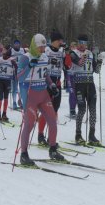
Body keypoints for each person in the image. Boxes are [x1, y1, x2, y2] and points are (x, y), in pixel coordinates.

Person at [16, 34, 63, 165]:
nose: (42, 50)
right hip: (29, 94)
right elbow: (18, 77)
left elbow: (45, 73)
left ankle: (53, 149)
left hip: (43, 93)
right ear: (34, 46)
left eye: (43, 47)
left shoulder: (44, 56)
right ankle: (23, 154)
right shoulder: (25, 58)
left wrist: (52, 85)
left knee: (53, 121)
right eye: (40, 47)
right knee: (30, 123)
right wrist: (29, 66)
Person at [68, 34, 102, 145]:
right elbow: (79, 63)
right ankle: (78, 134)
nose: (82, 45)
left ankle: (92, 135)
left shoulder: (91, 53)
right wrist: (83, 56)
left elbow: (96, 70)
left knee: (93, 109)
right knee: (82, 109)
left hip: (90, 83)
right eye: (80, 43)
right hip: (79, 83)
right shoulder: (73, 53)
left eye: (85, 43)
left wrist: (99, 63)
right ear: (77, 43)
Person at [37, 31, 66, 145]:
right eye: (60, 41)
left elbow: (67, 66)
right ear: (54, 41)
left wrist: (67, 54)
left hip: (57, 83)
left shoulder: (61, 52)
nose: (61, 43)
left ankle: (51, 137)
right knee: (45, 110)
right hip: (47, 83)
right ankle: (40, 135)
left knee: (55, 110)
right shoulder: (46, 51)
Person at [0, 45, 17, 123]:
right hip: (0, 80)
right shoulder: (0, 59)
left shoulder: (11, 60)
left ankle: (4, 114)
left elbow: (16, 68)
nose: (5, 57)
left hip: (8, 81)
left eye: (7, 56)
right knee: (0, 97)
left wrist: (15, 65)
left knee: (6, 97)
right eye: (4, 55)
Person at [10, 39, 24, 110]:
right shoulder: (11, 50)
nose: (17, 45)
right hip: (14, 71)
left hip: (21, 72)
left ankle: (20, 101)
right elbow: (6, 57)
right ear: (14, 45)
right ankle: (14, 102)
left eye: (18, 44)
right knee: (15, 88)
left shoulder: (22, 50)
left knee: (21, 87)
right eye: (15, 44)